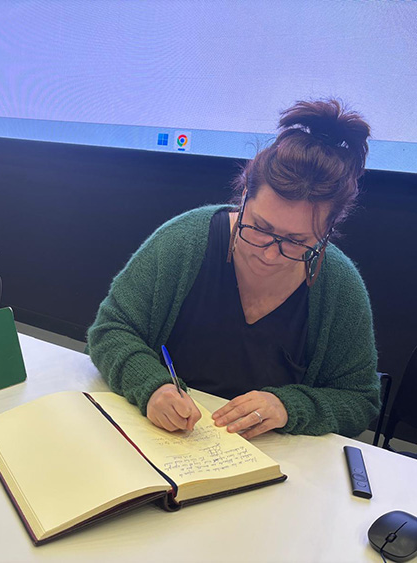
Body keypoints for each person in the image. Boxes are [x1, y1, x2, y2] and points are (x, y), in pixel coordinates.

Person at [87, 99, 380, 440]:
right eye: (260, 227)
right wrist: (152, 387)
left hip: (275, 460)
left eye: (296, 242)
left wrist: (288, 406)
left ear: (327, 232)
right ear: (243, 198)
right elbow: (110, 330)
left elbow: (359, 399)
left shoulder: (339, 288)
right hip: (162, 441)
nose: (270, 254)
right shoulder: (184, 243)